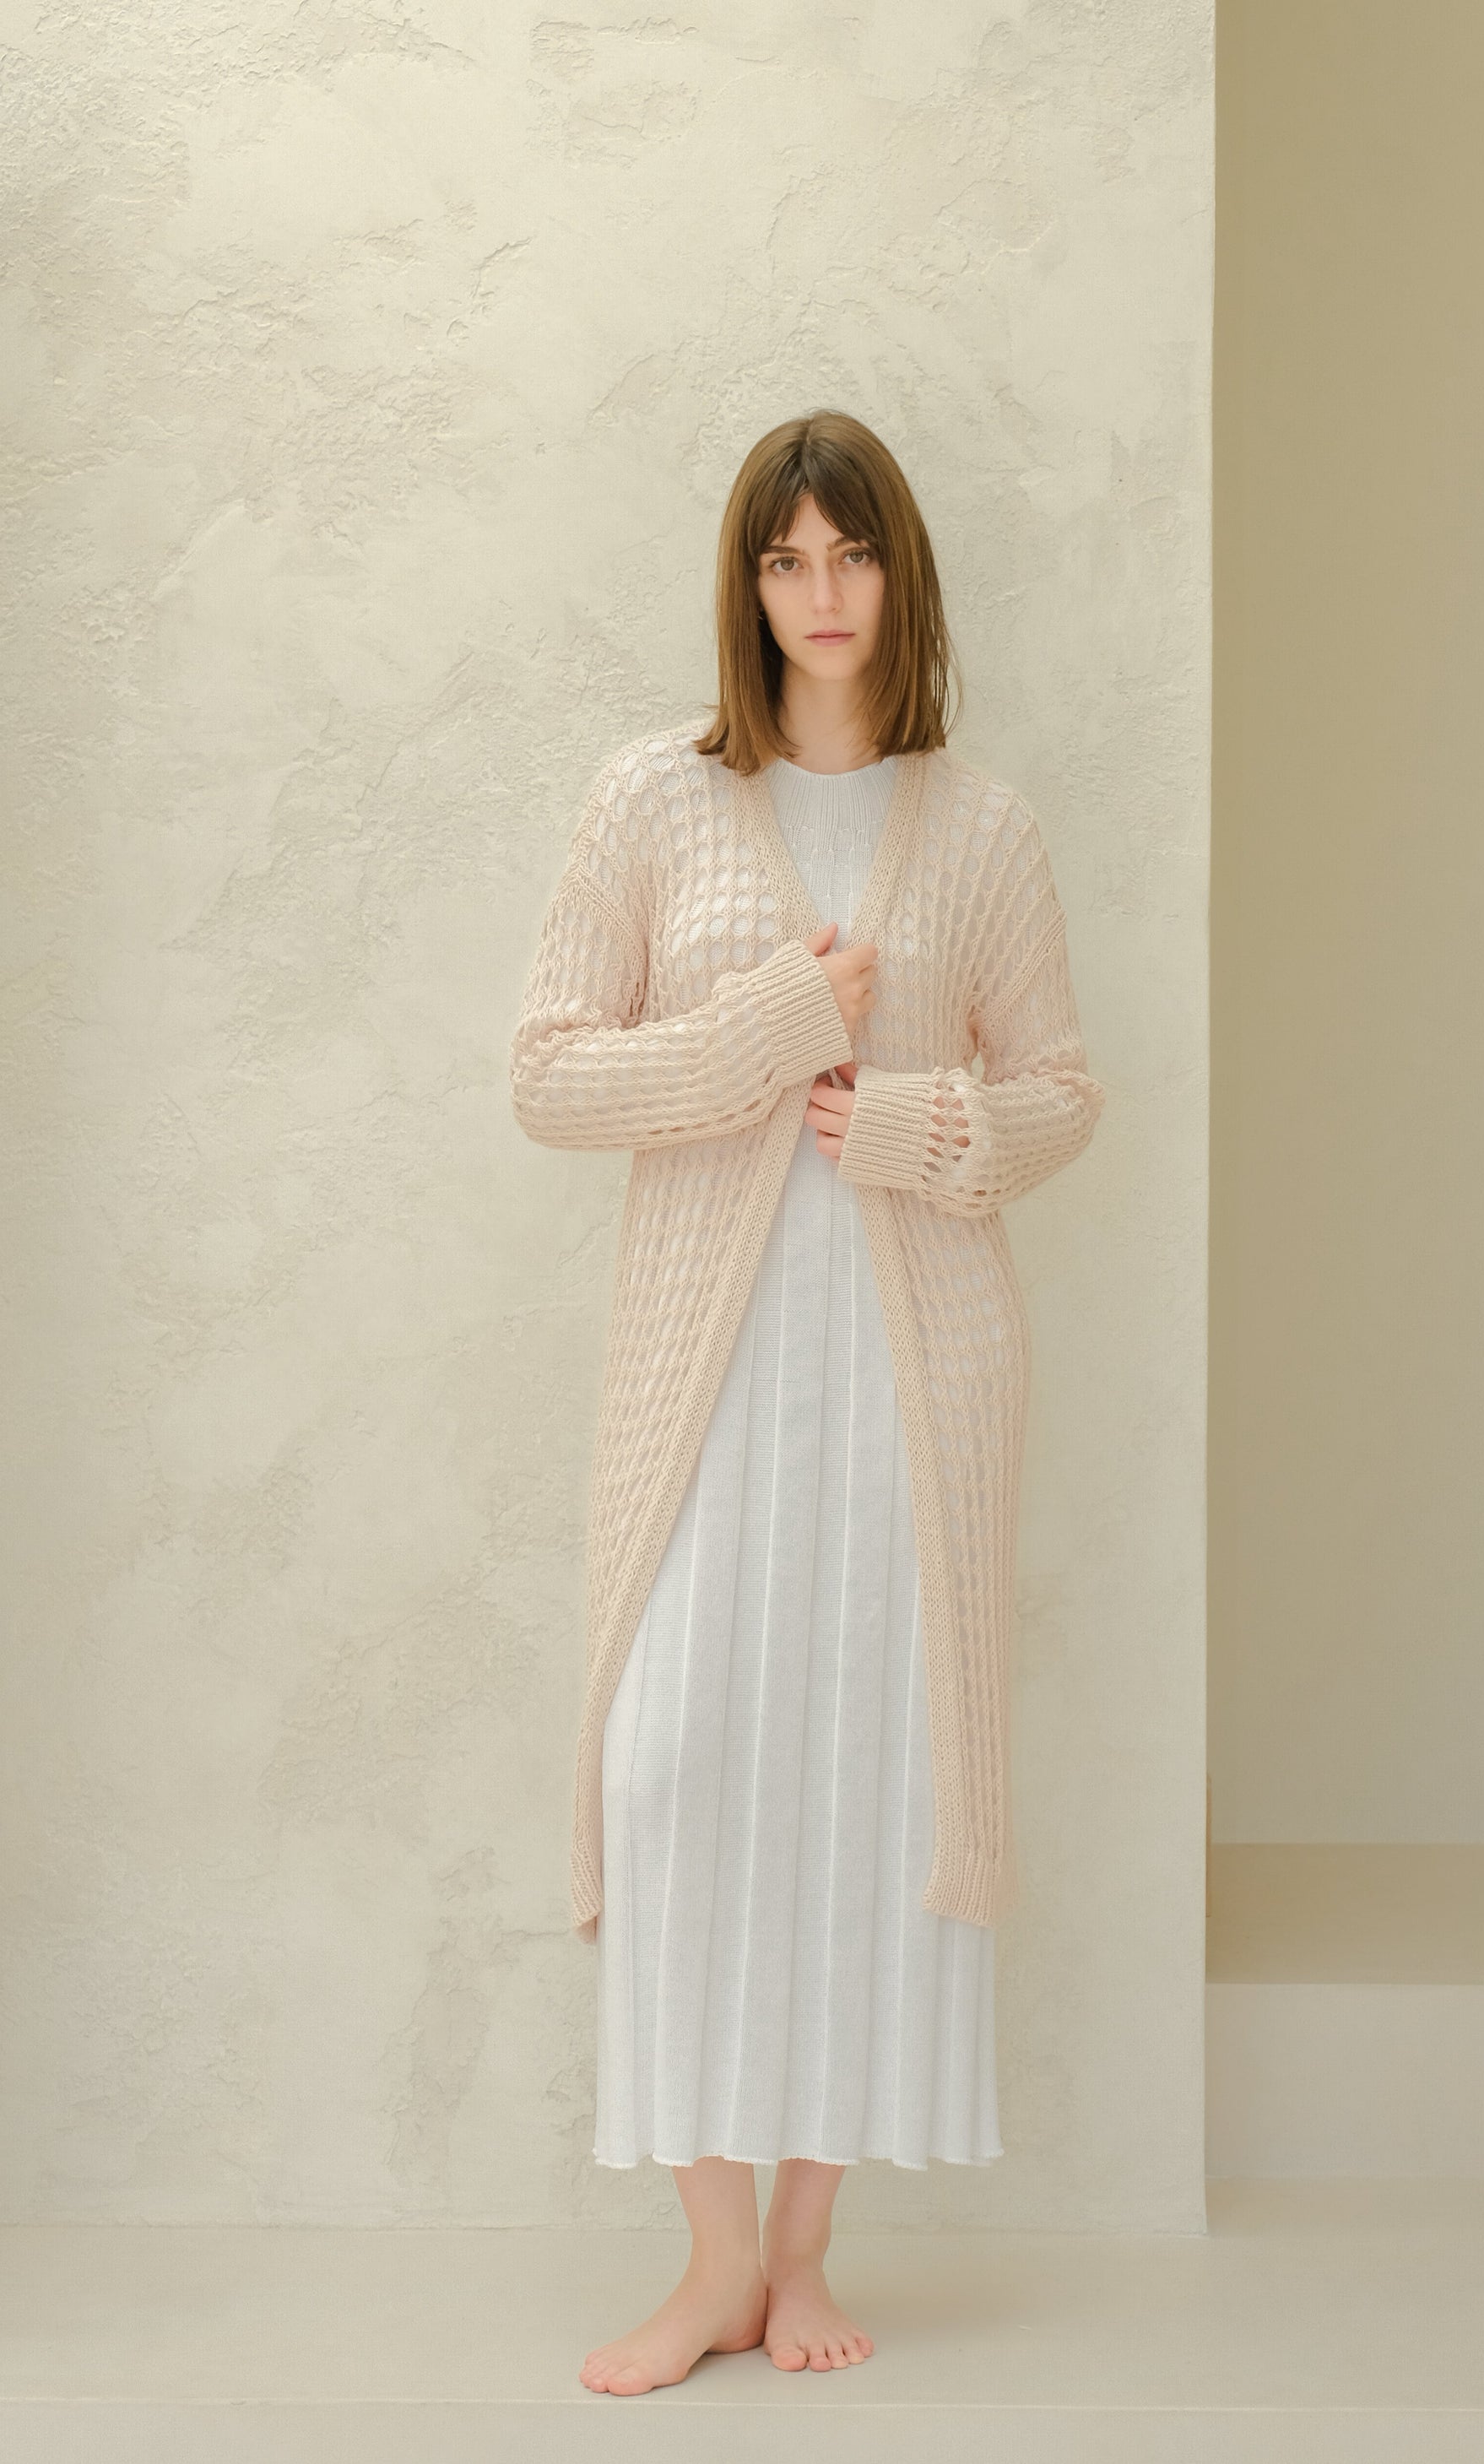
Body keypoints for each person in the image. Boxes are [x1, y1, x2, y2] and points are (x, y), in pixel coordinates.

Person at [509, 409, 1104, 2396]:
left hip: (907, 1393)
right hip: (710, 1383)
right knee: (673, 1771)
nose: (820, 594)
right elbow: (547, 1072)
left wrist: (920, 1120)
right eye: (785, 561)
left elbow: (1062, 1093)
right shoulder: (654, 799)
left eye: (849, 556)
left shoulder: (982, 826)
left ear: (896, 575)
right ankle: (704, 2258)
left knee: (870, 1786)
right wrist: (768, 1028)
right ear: (746, 583)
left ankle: (799, 2250)